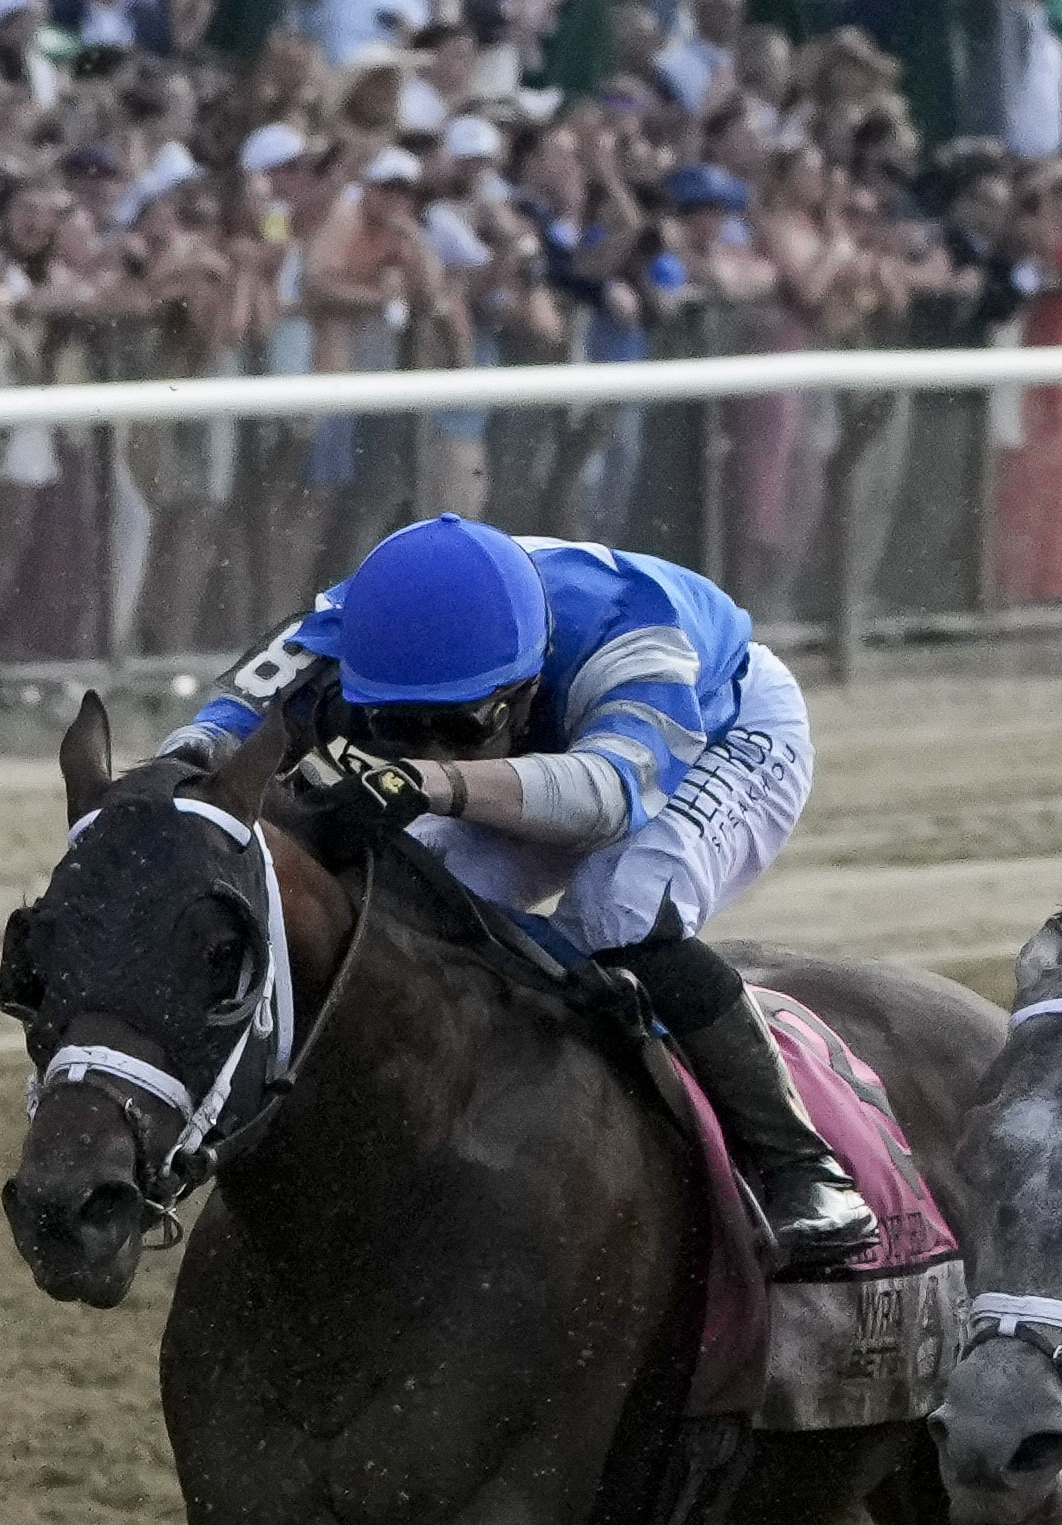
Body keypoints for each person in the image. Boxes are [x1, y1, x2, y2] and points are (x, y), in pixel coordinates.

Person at [192, 508, 878, 1272]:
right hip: (554, 750)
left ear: (524, 685)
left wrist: (419, 778)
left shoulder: (636, 631)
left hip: (722, 732)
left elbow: (608, 797)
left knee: (616, 911)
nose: (425, 741)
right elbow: (202, 741)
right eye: (395, 723)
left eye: (457, 723)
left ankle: (799, 1166)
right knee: (404, 907)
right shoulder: (341, 623)